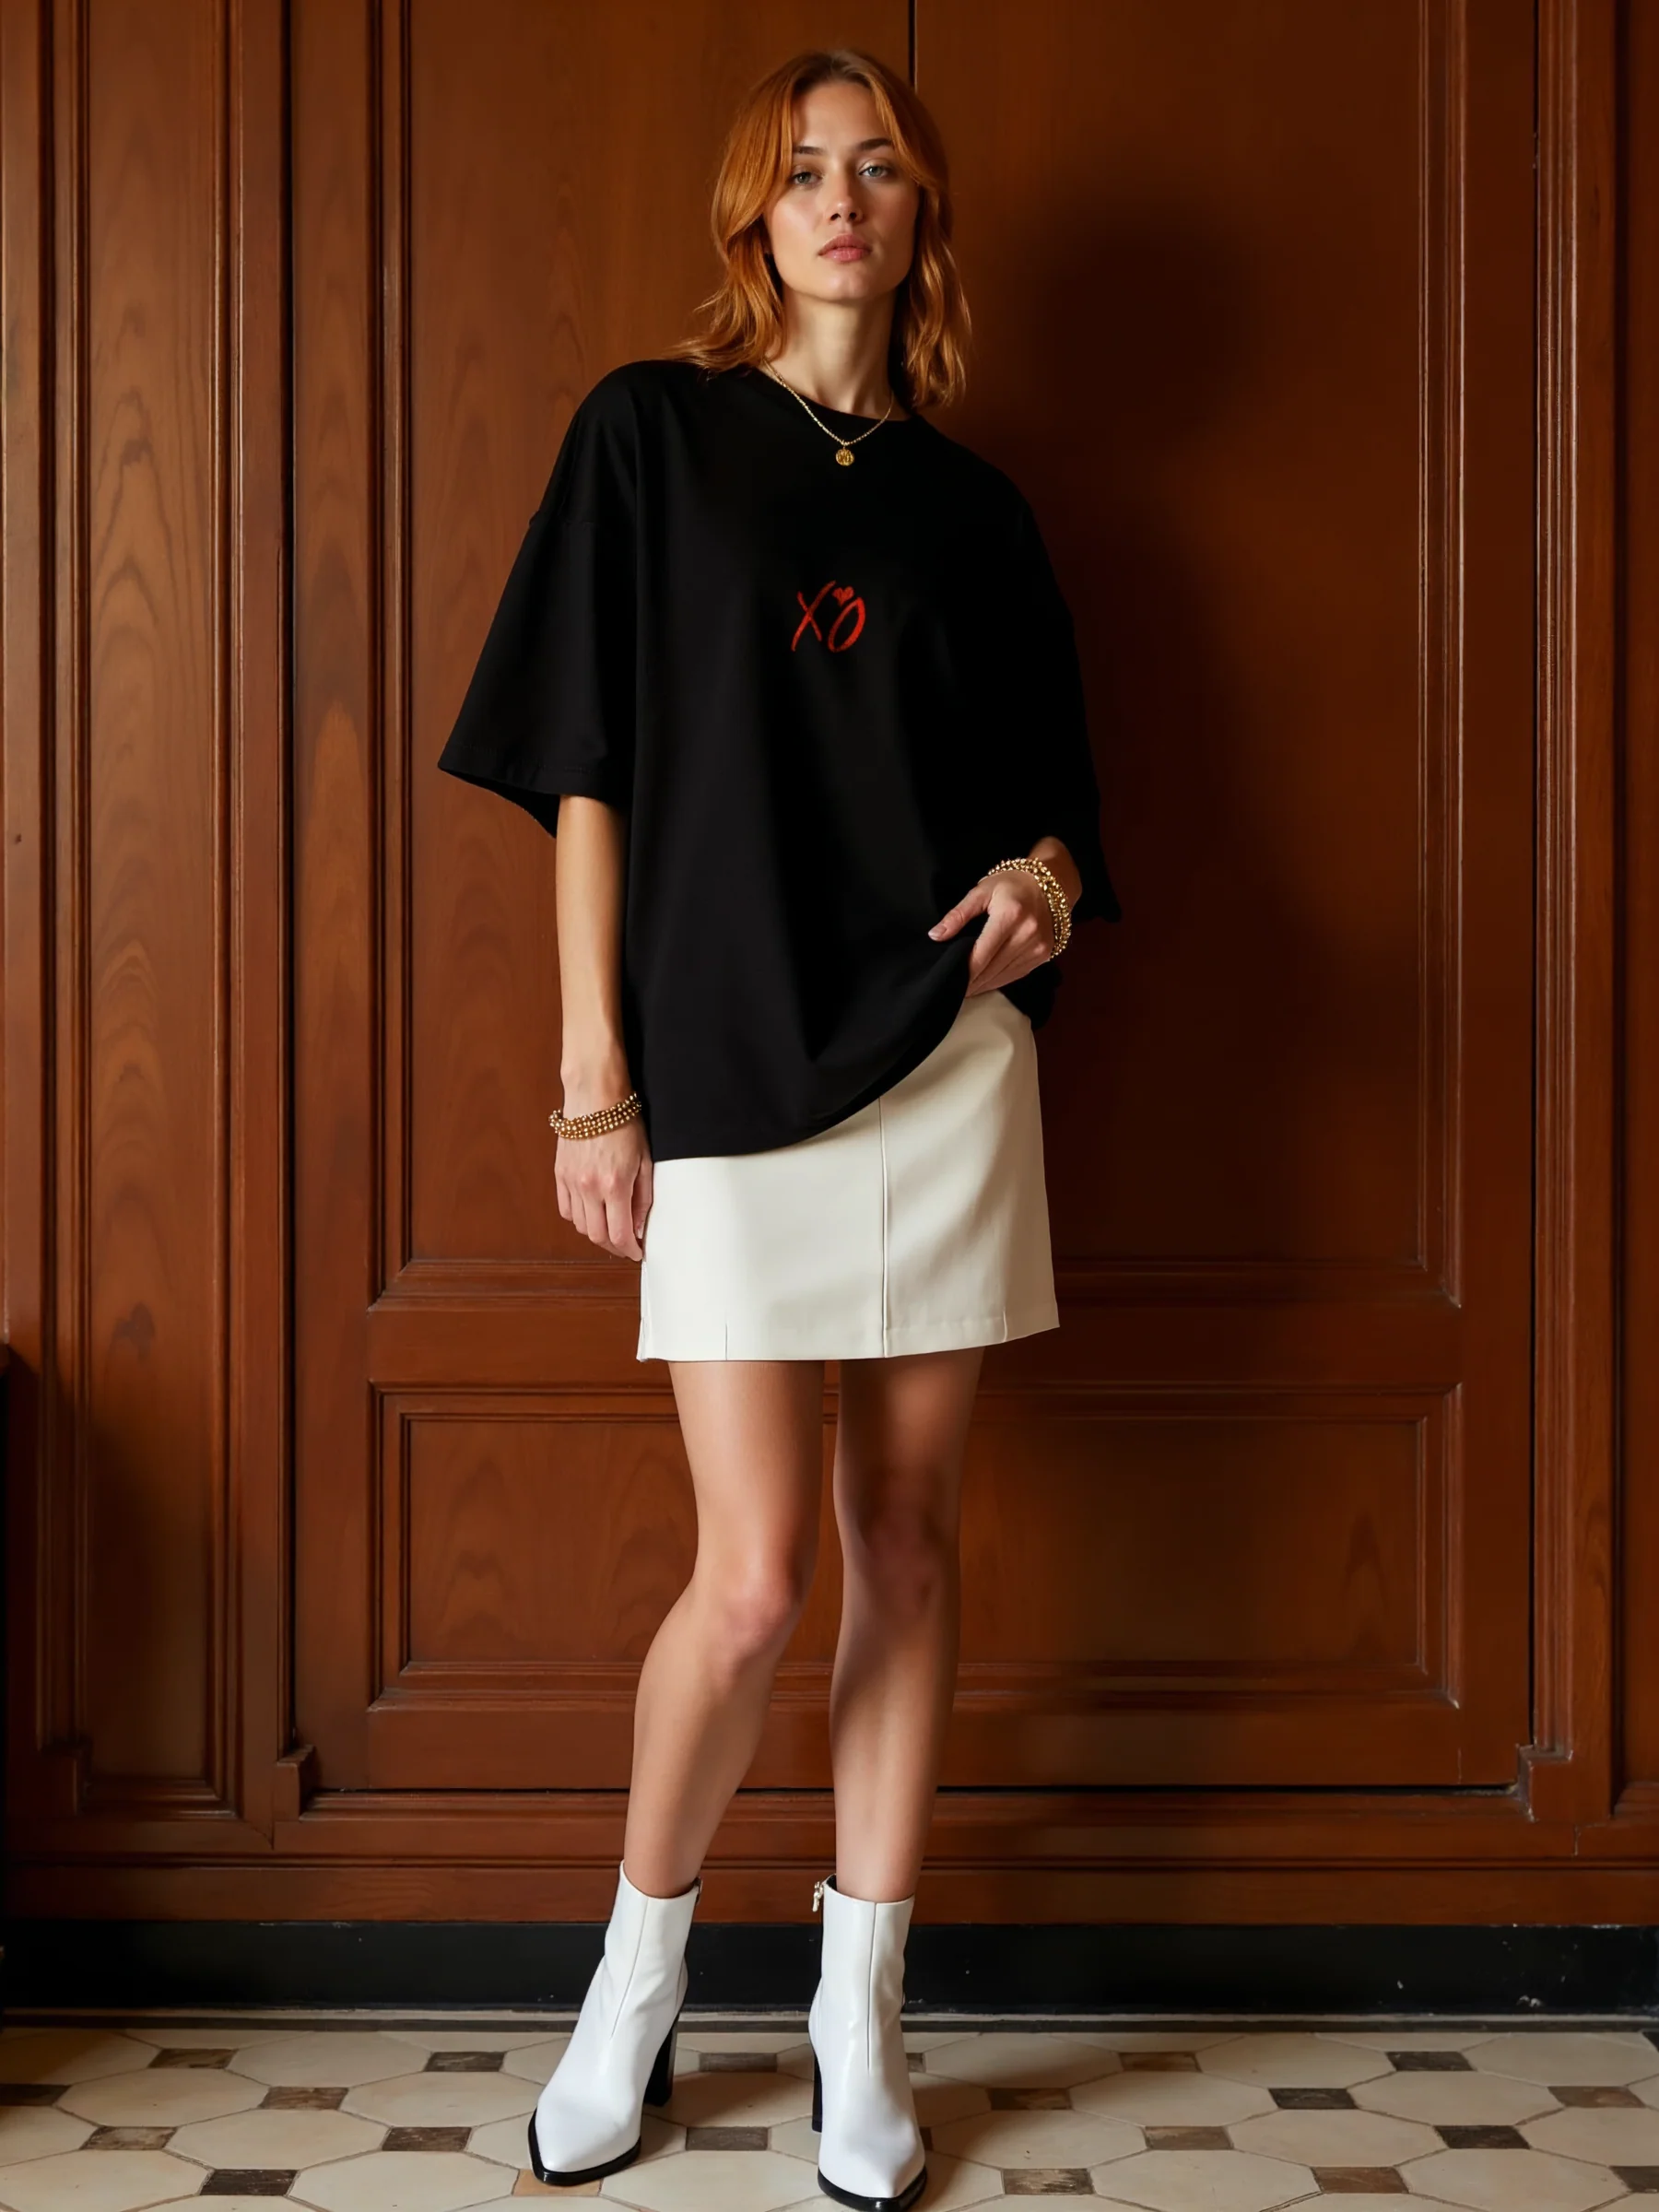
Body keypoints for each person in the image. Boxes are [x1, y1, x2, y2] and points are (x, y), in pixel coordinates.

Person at [437, 43, 1123, 2212]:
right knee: (747, 1583)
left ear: (921, 218)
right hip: (725, 1072)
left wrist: (1045, 885)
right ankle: (632, 1991)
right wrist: (593, 1081)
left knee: (907, 1550)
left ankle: (859, 2018)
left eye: (881, 168)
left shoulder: (979, 512)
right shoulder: (648, 435)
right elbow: (585, 767)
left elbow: (1061, 818)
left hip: (947, 1066)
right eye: (806, 170)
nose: (843, 199)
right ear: (756, 214)